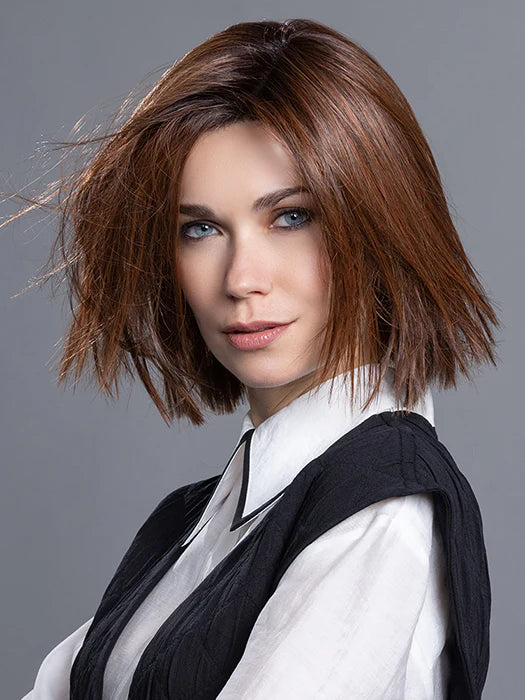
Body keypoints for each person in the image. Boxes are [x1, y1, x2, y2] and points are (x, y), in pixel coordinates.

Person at [12, 17, 500, 700]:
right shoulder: (198, 519)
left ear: (379, 223)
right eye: (200, 228)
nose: (241, 278)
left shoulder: (380, 509)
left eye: (291, 217)